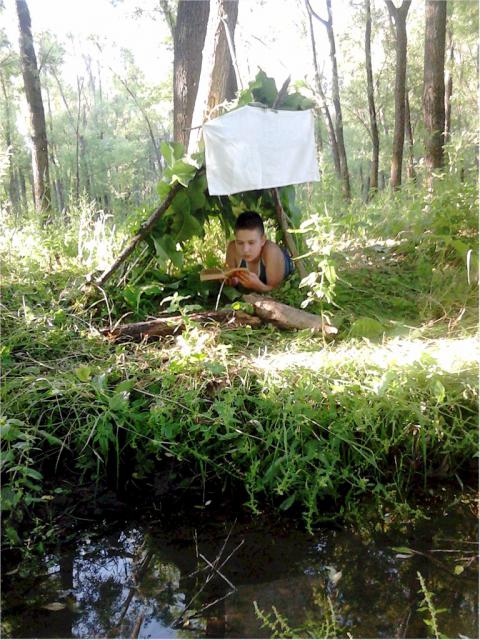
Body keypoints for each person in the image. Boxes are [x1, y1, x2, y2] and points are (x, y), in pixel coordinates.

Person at [225, 211, 295, 292]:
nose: (245, 249)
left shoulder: (272, 252)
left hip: (284, 260)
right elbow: (231, 280)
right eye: (240, 243)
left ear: (262, 240)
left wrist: (258, 286)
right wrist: (231, 281)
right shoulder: (232, 248)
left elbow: (276, 291)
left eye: (251, 243)